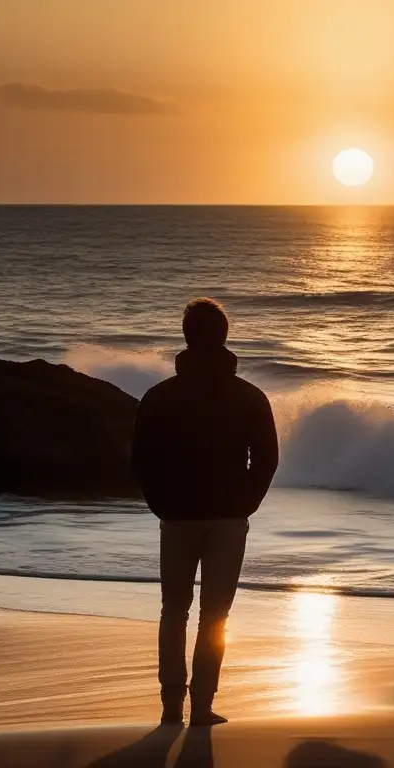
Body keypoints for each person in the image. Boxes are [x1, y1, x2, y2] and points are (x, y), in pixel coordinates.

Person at [131, 298, 279, 726]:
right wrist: (246, 502)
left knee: (174, 608)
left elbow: (141, 458)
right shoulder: (248, 396)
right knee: (216, 614)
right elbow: (267, 459)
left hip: (177, 515)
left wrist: (159, 502)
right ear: (224, 337)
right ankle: (201, 706)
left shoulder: (160, 396)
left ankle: (171, 706)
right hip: (227, 518)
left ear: (187, 337)